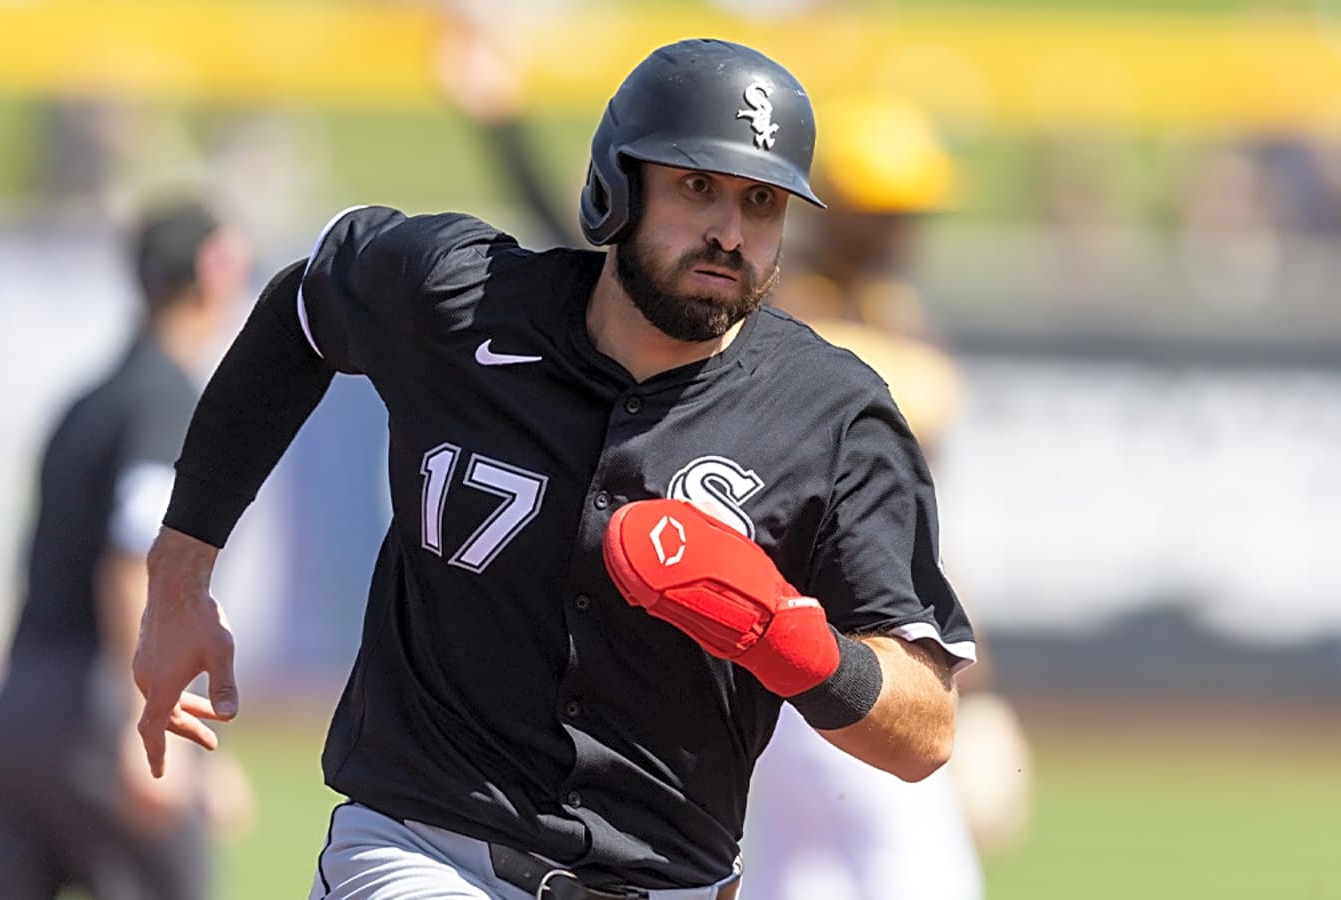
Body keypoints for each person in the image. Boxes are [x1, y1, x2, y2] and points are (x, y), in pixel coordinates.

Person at [133, 38, 976, 900]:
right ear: (615, 186)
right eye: (698, 188)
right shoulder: (461, 297)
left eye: (762, 202)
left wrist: (788, 640)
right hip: (423, 854)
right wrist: (180, 569)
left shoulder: (833, 414)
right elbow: (304, 309)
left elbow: (925, 728)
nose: (730, 230)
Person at [742, 93, 1031, 900]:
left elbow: (914, 530)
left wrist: (975, 667)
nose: (908, 230)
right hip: (817, 640)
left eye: (912, 211)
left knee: (803, 878)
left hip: (830, 644)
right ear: (842, 210)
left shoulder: (890, 317)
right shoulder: (777, 315)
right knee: (925, 877)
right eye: (889, 210)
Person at [0, 198, 255, 900]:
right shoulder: (165, 399)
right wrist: (150, 720)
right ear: (215, 271)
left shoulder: (89, 401)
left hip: (12, 716)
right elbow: (134, 559)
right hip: (93, 714)